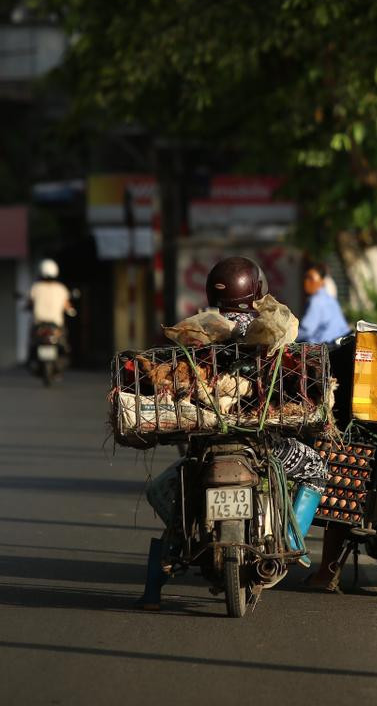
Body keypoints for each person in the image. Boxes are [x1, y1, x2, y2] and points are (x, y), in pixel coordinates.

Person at [138, 256, 327, 610]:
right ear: (256, 291)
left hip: (207, 442)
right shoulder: (271, 329)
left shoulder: (195, 329)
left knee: (176, 495)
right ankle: (291, 540)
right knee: (316, 467)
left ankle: (155, 585)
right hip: (262, 442)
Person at [296, 262, 351, 344]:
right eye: (305, 278)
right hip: (343, 340)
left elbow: (307, 330)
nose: (306, 282)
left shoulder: (316, 301)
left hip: (332, 347)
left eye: (311, 279)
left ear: (321, 282)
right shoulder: (329, 297)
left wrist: (289, 337)